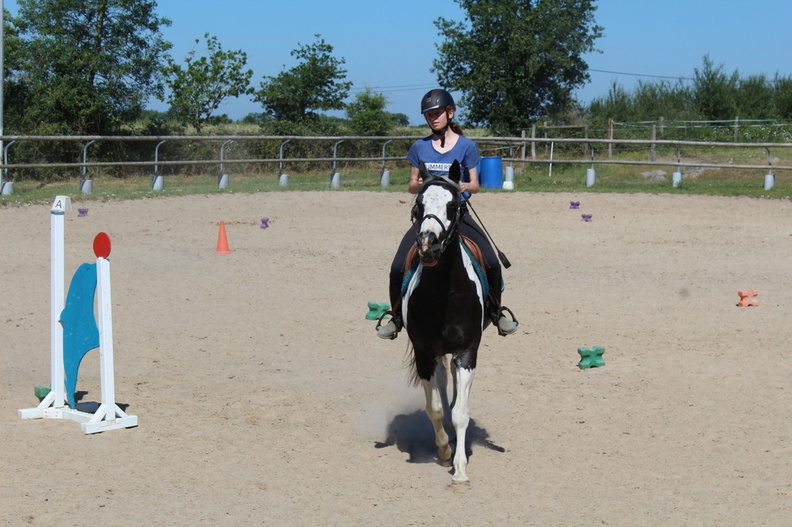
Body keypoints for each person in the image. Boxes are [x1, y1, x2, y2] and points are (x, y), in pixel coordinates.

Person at [377, 88, 518, 339]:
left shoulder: (467, 147)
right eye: (429, 114)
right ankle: (396, 317)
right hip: (427, 218)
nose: (433, 118)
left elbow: (475, 184)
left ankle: (497, 312)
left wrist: (459, 186)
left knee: (492, 262)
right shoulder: (419, 147)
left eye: (437, 113)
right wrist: (423, 184)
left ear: (450, 113)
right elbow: (411, 183)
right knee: (398, 265)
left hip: (457, 216)